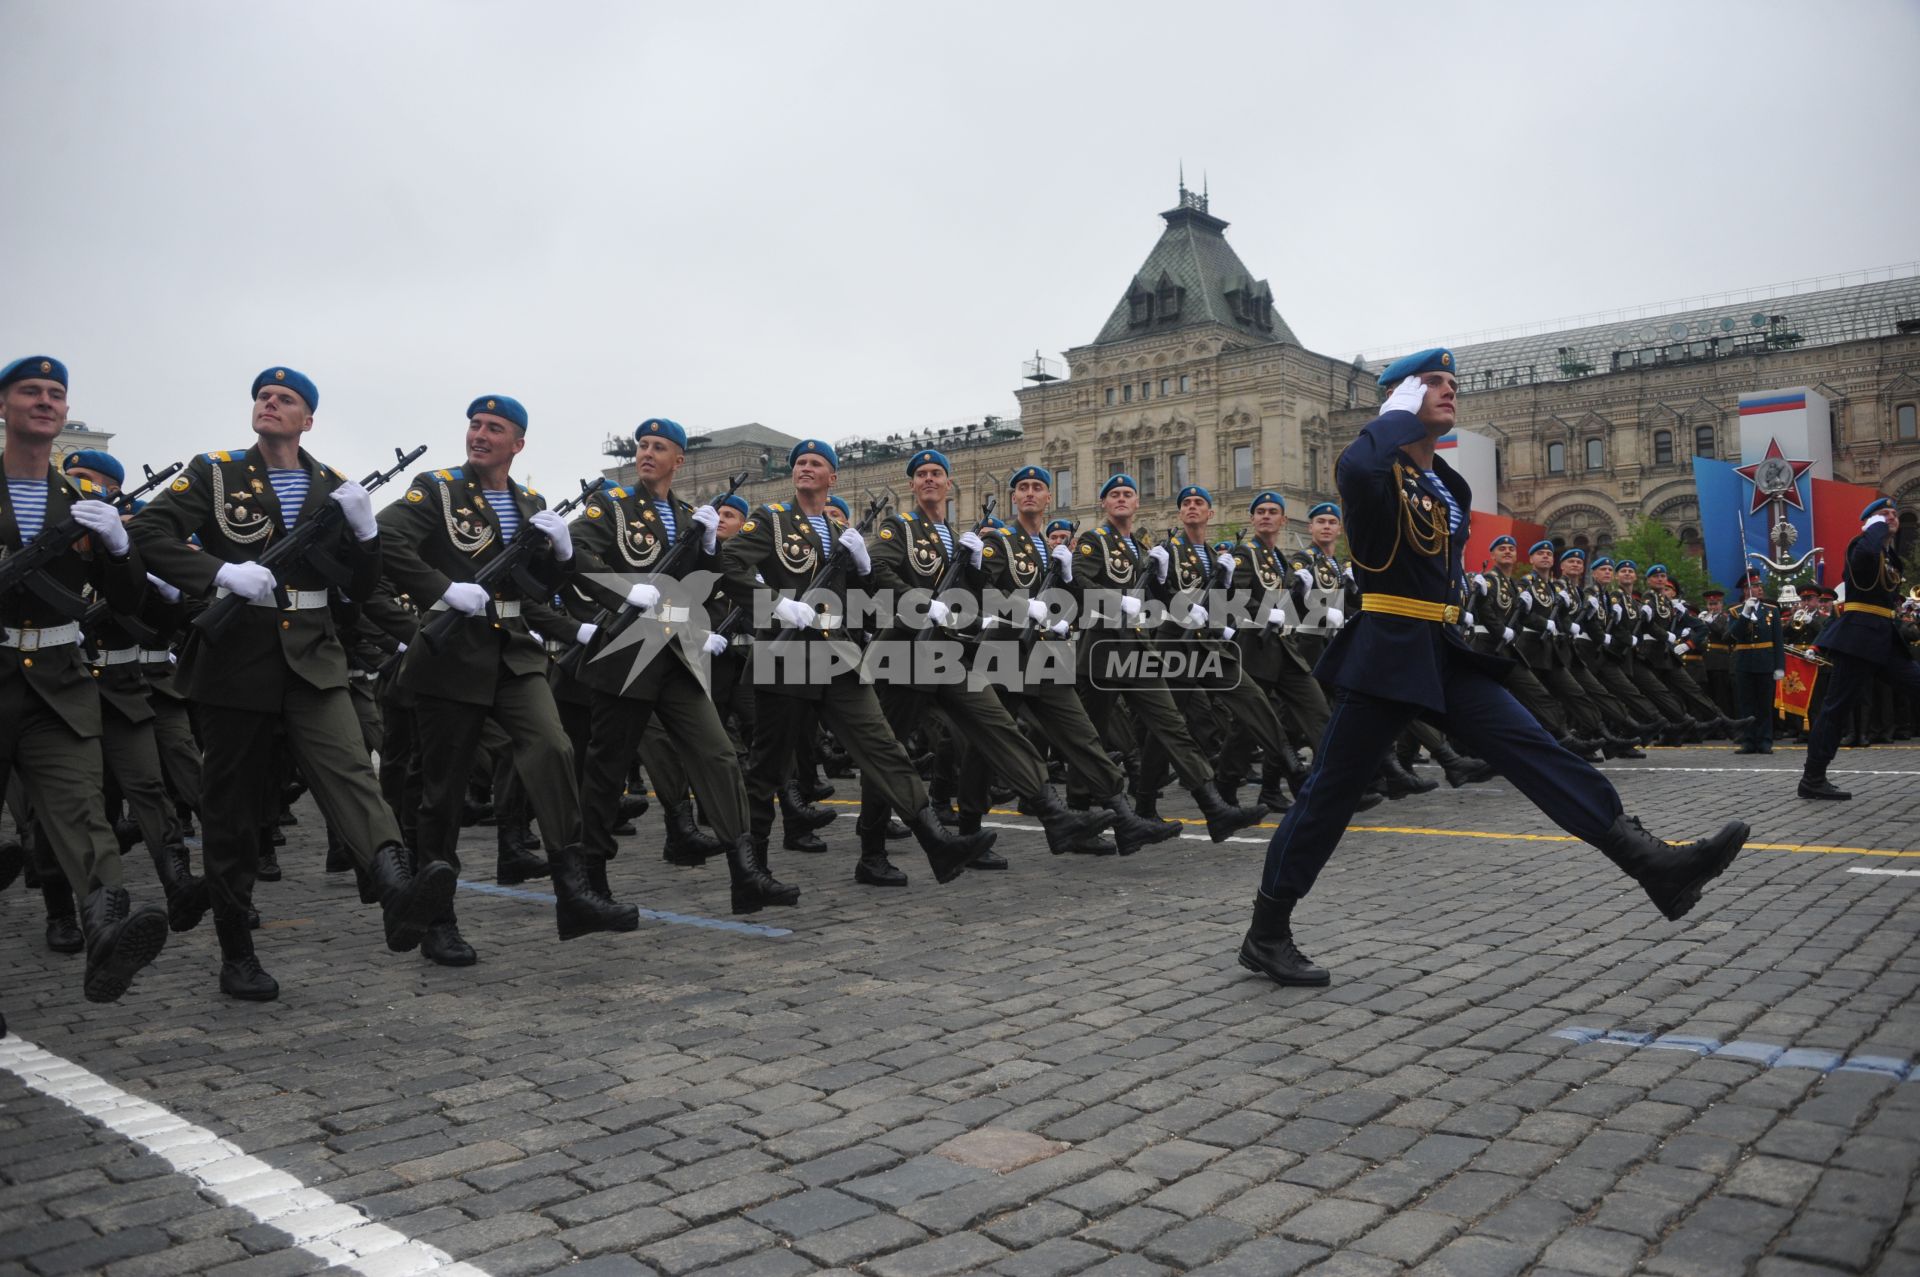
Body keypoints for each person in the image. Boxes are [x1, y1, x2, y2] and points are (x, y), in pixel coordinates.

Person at [1238, 348, 1750, 988]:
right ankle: (1267, 931)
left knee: (1534, 748)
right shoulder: (1372, 468)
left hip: (1442, 649)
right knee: (1329, 797)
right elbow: (1360, 466)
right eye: (1433, 384)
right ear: (1399, 400)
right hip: (1388, 651)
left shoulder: (1443, 485)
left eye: (1454, 383)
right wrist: (1393, 415)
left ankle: (1651, 864)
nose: (1450, 392)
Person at [131, 366, 455, 1000]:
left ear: (308, 420)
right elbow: (148, 534)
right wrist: (220, 572)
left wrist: (365, 537)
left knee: (351, 768)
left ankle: (395, 886)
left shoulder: (333, 488)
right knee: (232, 808)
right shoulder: (214, 472)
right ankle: (237, 950)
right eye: (263, 396)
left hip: (313, 653)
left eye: (286, 400)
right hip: (236, 659)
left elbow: (357, 592)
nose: (269, 404)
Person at [376, 394, 636, 960]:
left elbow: (537, 583)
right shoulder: (437, 488)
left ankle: (574, 891)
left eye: (494, 428)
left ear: (517, 444)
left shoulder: (530, 501)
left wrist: (562, 553)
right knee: (441, 791)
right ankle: (436, 918)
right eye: (474, 424)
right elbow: (384, 537)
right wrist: (441, 589)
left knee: (552, 747)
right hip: (452, 654)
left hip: (515, 653)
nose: (480, 434)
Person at [1, 355, 171, 1006]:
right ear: (4, 406)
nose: (45, 401)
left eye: (56, 394)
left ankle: (107, 926)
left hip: (58, 677)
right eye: (30, 391)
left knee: (81, 808)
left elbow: (125, 603)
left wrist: (122, 549)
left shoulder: (80, 503)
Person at [1799, 498, 1919, 799]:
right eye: (1883, 515)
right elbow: (1866, 554)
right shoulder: (1860, 546)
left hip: (1884, 640)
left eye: (1894, 514)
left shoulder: (1888, 556)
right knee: (1836, 709)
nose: (1891, 517)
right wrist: (1874, 527)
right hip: (1858, 640)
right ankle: (1812, 779)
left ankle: (1813, 779)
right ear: (1869, 523)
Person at [1727, 569, 1784, 755]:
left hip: (1765, 661)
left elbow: (1778, 640)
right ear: (1745, 591)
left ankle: (1765, 741)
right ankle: (1748, 741)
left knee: (1764, 704)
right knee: (1746, 704)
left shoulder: (1772, 611)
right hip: (1744, 662)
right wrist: (1744, 614)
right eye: (1754, 586)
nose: (1759, 589)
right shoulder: (1735, 612)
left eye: (1760, 586)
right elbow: (1733, 635)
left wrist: (1779, 666)